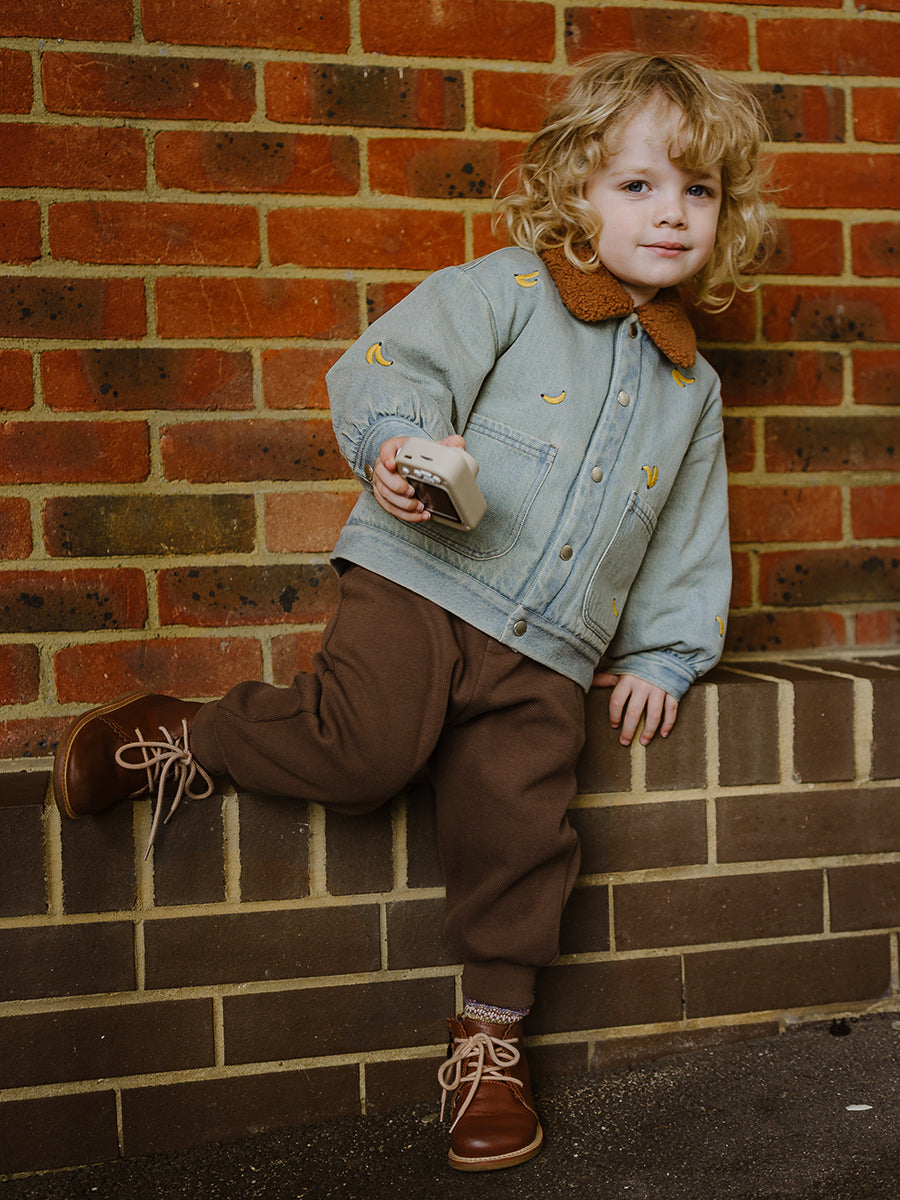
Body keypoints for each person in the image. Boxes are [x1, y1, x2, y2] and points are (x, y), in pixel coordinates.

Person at [52, 52, 770, 1172]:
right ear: (577, 190)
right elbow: (396, 366)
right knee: (363, 752)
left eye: (698, 190)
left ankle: (489, 1045)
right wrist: (395, 443)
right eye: (638, 184)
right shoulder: (507, 291)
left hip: (552, 651)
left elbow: (686, 530)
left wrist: (667, 654)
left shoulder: (697, 388)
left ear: (725, 215)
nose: (671, 212)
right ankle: (191, 735)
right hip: (423, 582)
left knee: (522, 833)